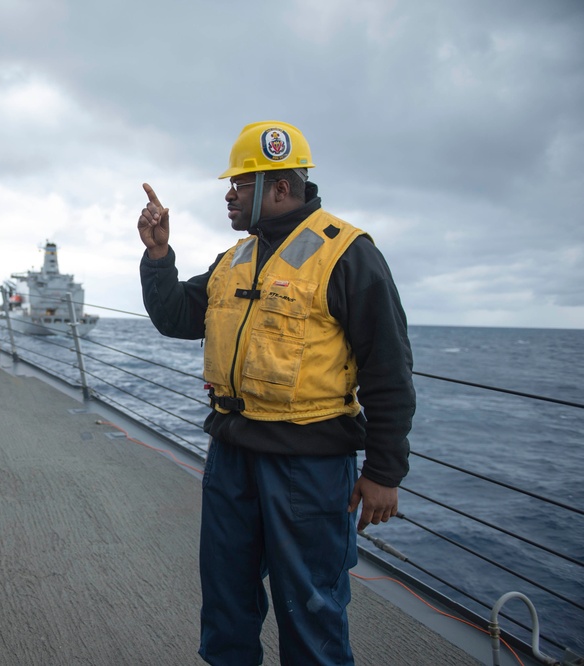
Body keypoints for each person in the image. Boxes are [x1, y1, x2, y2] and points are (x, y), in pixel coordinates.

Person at [136, 120, 415, 666]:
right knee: (226, 605)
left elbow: (389, 369)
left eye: (239, 184)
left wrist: (384, 471)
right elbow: (175, 316)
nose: (228, 194)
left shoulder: (347, 254)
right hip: (233, 459)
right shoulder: (234, 260)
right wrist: (159, 257)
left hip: (307, 467)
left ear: (279, 188)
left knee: (311, 611)